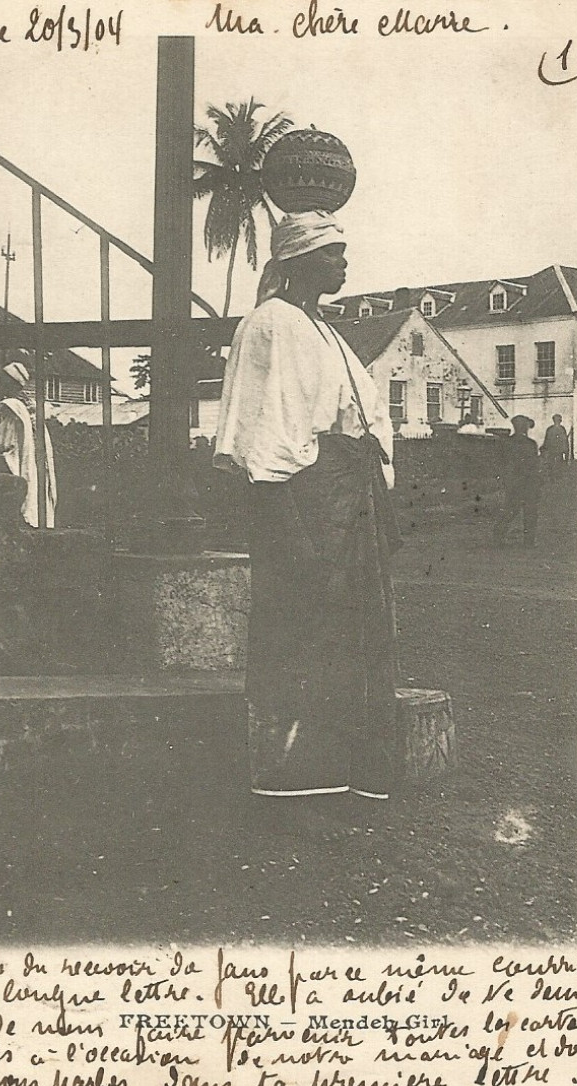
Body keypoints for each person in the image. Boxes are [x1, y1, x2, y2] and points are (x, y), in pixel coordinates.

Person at [214, 211, 402, 800]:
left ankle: (347, 770)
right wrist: (285, 508)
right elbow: (268, 425)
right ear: (297, 261)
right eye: (332, 254)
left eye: (343, 253)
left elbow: (364, 413)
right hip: (303, 498)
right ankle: (291, 777)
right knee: (301, 622)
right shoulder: (271, 324)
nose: (343, 264)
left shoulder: (326, 330)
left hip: (348, 498)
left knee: (356, 631)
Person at [0, 362, 57, 528]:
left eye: (1, 381)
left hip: (18, 464)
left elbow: (7, 445)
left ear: (12, 384)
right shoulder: (29, 408)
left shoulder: (12, 407)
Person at [494, 414, 541, 548]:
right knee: (530, 512)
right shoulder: (531, 444)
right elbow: (534, 464)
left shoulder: (506, 443)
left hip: (513, 482)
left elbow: (500, 463)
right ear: (525, 427)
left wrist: (504, 479)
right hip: (529, 482)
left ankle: (498, 535)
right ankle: (529, 542)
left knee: (510, 510)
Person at [540, 413, 570, 479]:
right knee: (551, 467)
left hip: (559, 452)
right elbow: (546, 441)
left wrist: (566, 453)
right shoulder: (550, 429)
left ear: (560, 421)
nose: (557, 421)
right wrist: (544, 450)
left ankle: (558, 480)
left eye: (558, 420)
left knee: (559, 467)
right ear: (553, 420)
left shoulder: (562, 429)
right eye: (556, 420)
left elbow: (565, 442)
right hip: (551, 452)